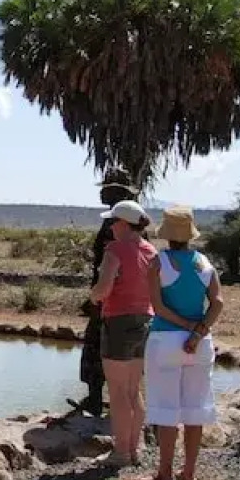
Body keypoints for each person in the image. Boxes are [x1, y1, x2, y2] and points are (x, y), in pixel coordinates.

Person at [139, 205, 225, 480]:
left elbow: (158, 307)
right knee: (194, 408)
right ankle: (188, 472)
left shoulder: (158, 262)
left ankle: (164, 472)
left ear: (166, 234)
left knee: (166, 409)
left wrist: (187, 328)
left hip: (166, 341)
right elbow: (217, 303)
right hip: (199, 345)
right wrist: (198, 331)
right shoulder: (205, 263)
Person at [88, 199, 156, 469]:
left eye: (113, 221)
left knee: (116, 391)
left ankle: (120, 452)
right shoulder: (150, 250)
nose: (110, 226)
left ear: (123, 224)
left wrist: (93, 297)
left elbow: (103, 289)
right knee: (133, 388)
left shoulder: (115, 249)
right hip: (145, 321)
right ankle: (134, 447)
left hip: (118, 322)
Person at [77, 169, 139, 416]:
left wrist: (98, 298)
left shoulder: (117, 225)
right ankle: (117, 403)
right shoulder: (128, 223)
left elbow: (113, 267)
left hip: (111, 298)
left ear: (119, 192)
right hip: (121, 298)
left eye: (107, 188)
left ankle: (98, 400)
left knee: (98, 345)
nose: (102, 191)